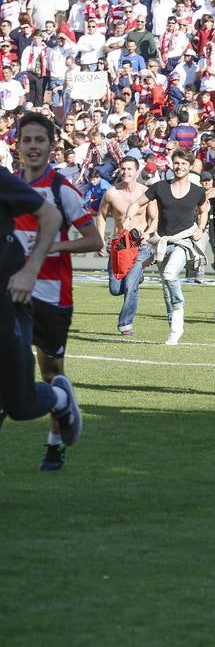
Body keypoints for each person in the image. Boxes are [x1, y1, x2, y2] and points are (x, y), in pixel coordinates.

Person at [11, 112, 100, 470]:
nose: (33, 147)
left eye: (40, 141)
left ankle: (55, 443)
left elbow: (94, 240)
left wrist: (52, 247)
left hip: (52, 295)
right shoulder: (10, 188)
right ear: (17, 147)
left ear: (51, 147)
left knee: (50, 374)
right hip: (16, 292)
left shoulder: (63, 190)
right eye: (27, 141)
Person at [0, 158, 81, 458]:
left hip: (9, 299)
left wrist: (29, 270)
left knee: (20, 405)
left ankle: (59, 399)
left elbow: (49, 216)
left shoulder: (5, 181)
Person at [139, 149, 208, 345]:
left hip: (184, 241)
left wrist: (201, 228)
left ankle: (179, 312)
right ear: (172, 164)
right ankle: (174, 329)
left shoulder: (197, 191)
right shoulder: (160, 187)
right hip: (163, 242)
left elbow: (204, 210)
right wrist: (128, 218)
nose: (179, 167)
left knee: (170, 275)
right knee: (166, 288)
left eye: (184, 164)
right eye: (177, 163)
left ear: (190, 166)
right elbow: (138, 203)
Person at [98, 155, 151, 335]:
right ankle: (136, 278)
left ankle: (125, 325)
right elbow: (101, 216)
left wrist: (148, 233)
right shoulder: (112, 193)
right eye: (123, 168)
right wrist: (99, 239)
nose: (126, 172)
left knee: (130, 286)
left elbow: (156, 218)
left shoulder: (146, 192)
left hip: (140, 246)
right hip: (119, 246)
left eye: (129, 169)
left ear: (136, 171)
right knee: (115, 289)